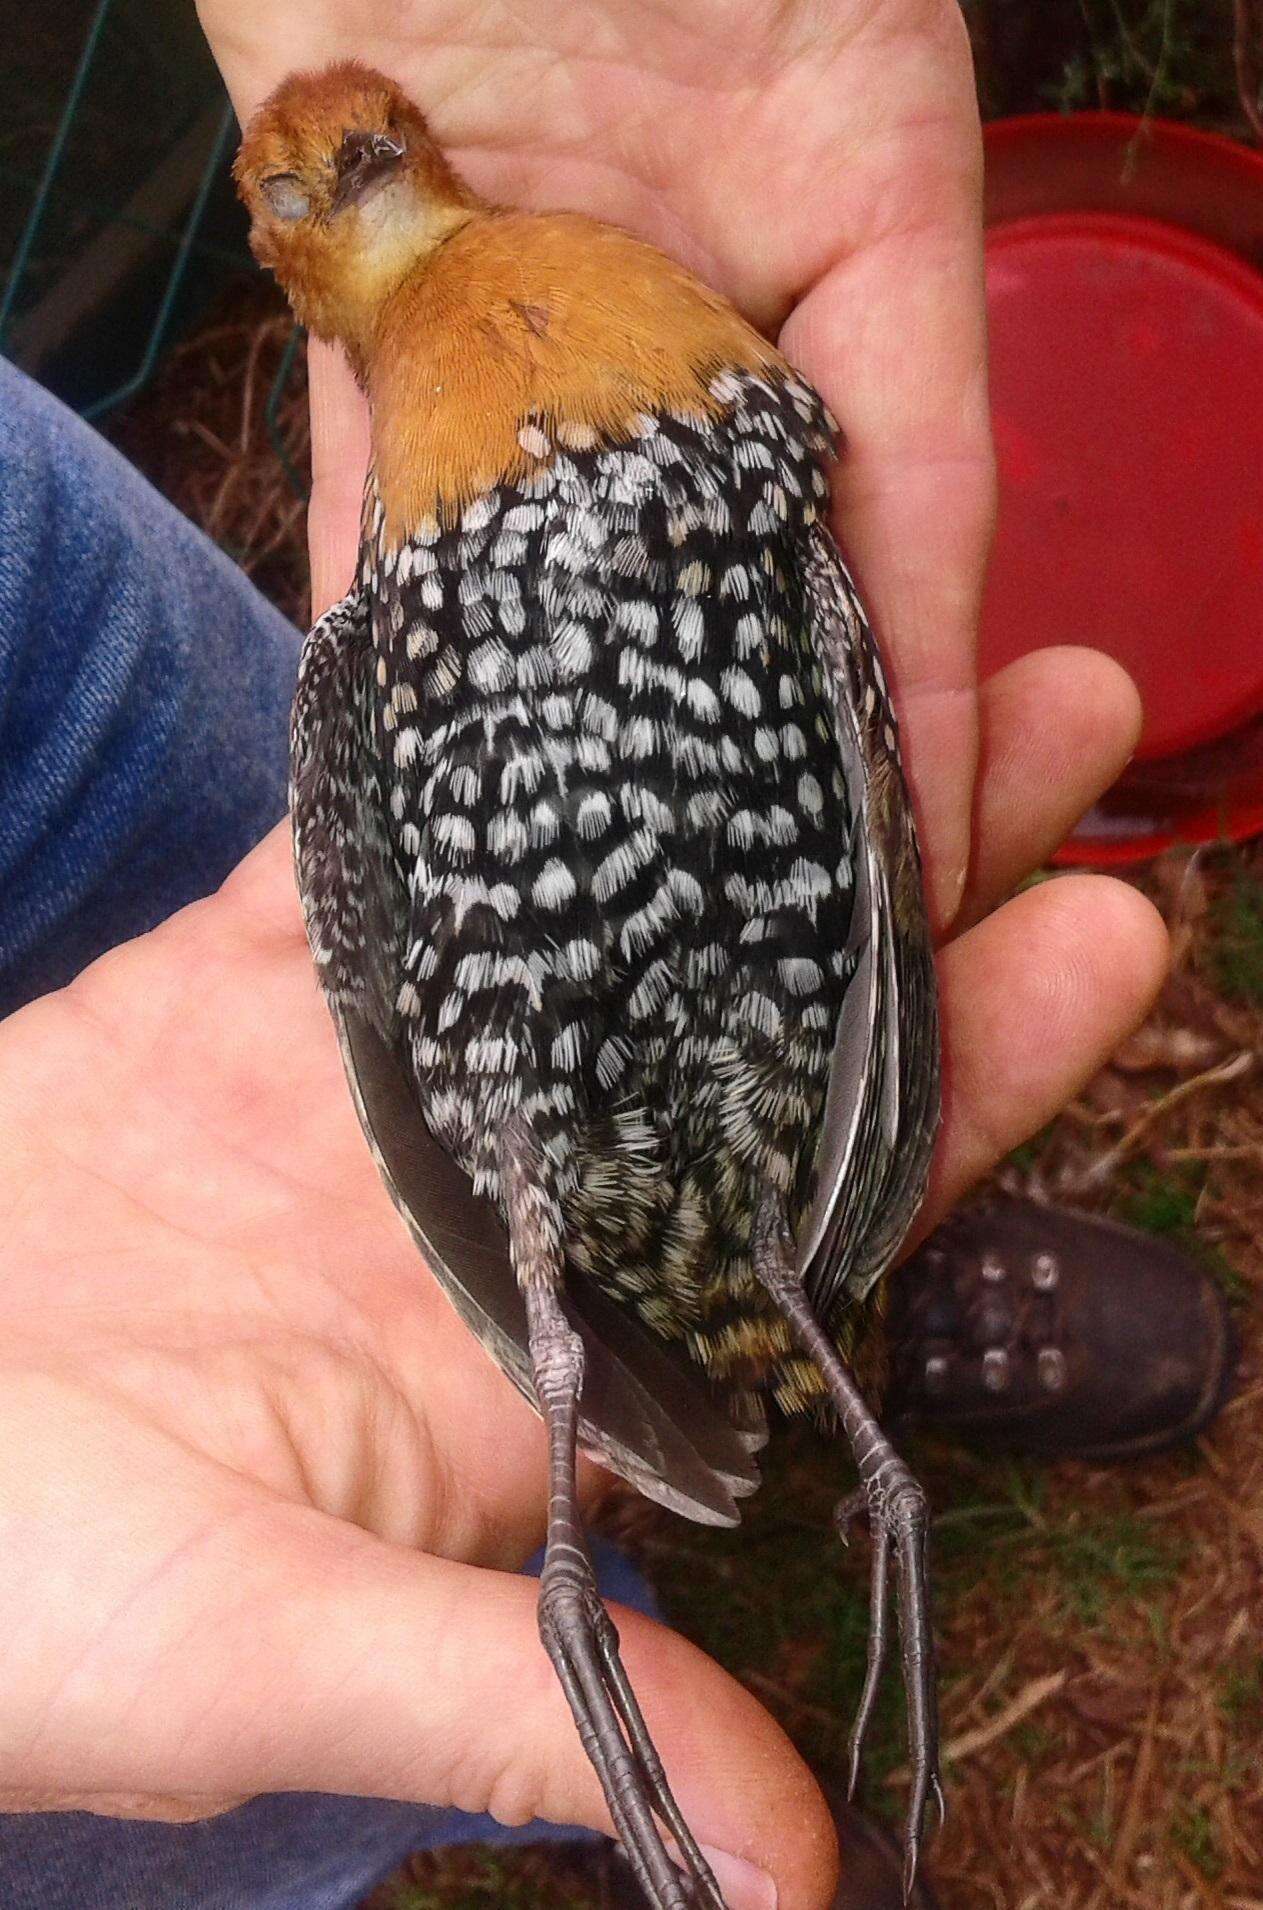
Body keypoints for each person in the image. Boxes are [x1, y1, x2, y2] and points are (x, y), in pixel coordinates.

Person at [0, 3, 1179, 1905]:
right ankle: (587, 1690)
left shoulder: (639, 416)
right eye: (294, 194)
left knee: (220, 788)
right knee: (421, 1403)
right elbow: (406, 1031)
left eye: (367, 143)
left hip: (62, 647)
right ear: (294, 270)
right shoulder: (388, 621)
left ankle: (825, 1435)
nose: (344, 186)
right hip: (557, 1149)